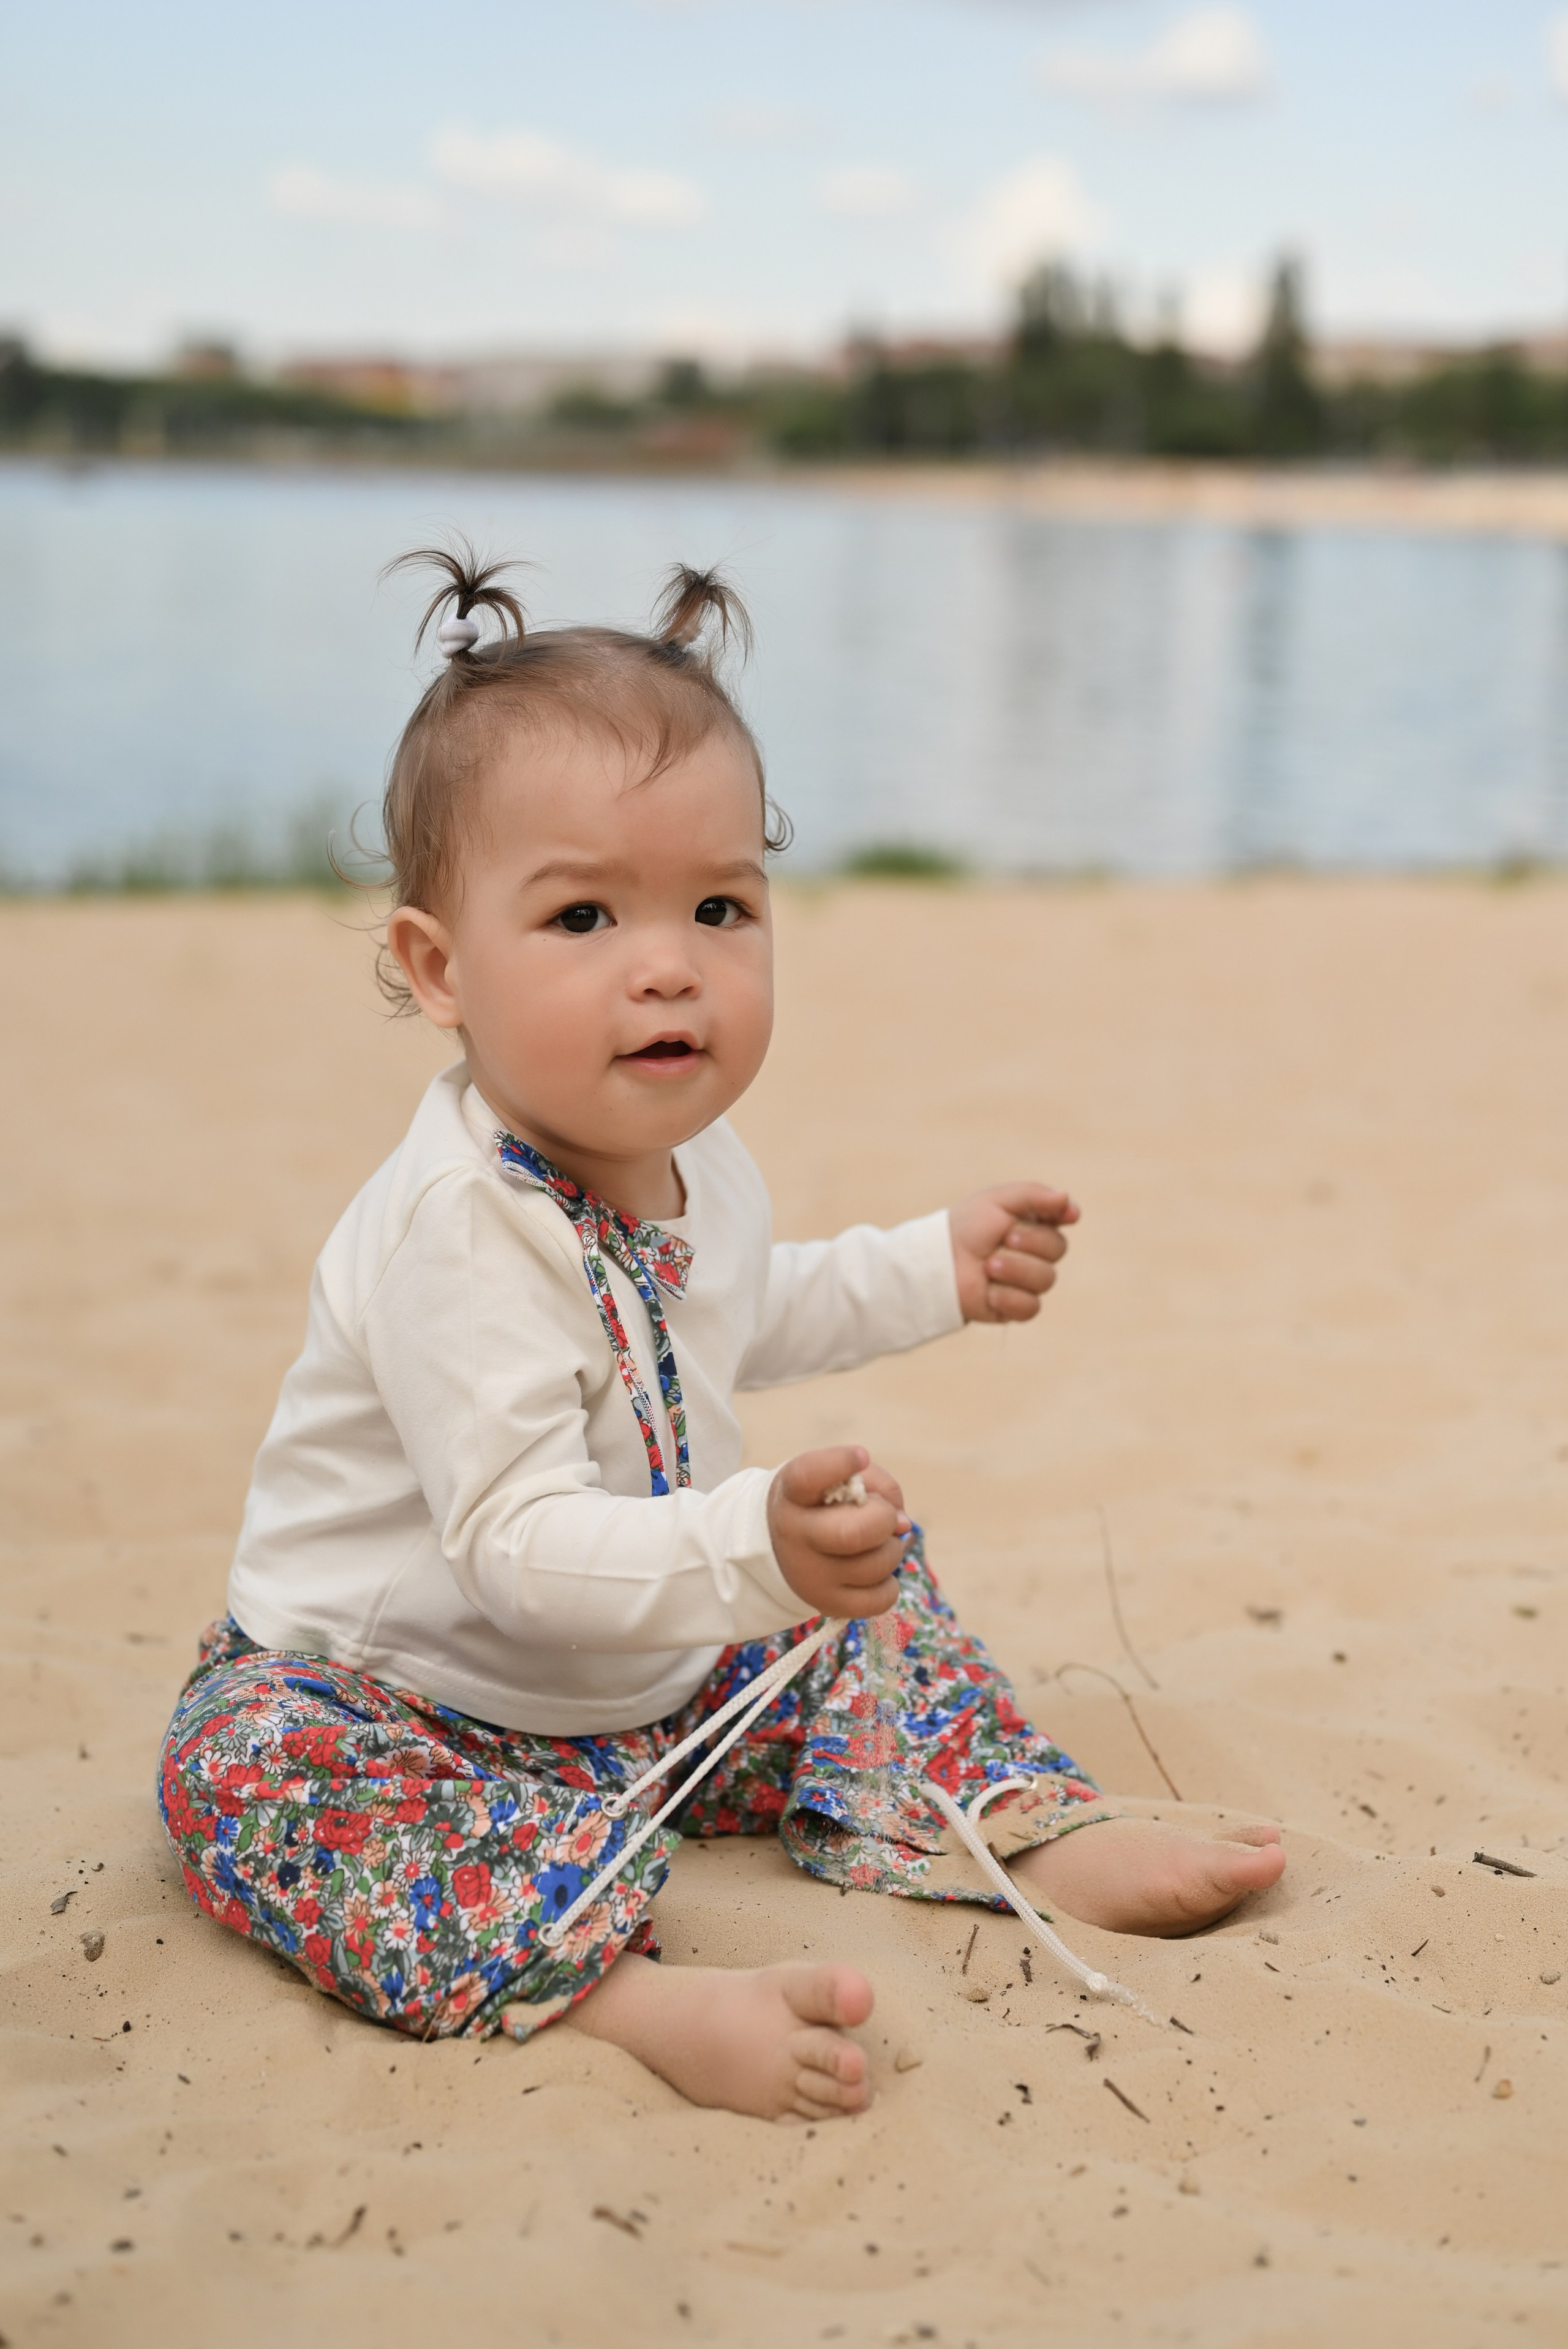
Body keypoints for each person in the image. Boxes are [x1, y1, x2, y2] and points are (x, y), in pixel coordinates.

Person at [157, 548, 1284, 2121]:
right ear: (438, 970)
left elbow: (741, 1312)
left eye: (717, 905)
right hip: (405, 1696)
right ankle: (623, 1998)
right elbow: (512, 1543)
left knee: (866, 1585)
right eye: (580, 917)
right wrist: (746, 1540)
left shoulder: (694, 1164)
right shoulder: (458, 1234)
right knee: (241, 1781)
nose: (668, 959)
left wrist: (929, 1269)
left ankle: (1015, 1826)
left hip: (631, 1691)